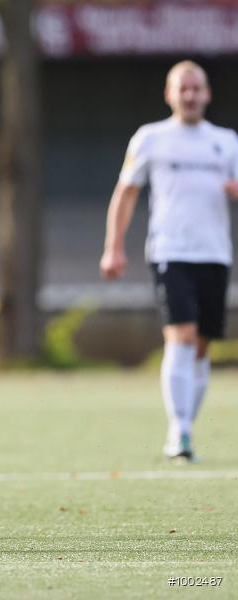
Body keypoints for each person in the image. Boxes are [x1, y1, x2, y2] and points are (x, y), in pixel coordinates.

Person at [100, 60, 238, 462]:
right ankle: (179, 431)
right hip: (170, 252)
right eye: (183, 88)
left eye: (197, 88)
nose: (191, 95)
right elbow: (125, 193)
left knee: (201, 345)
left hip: (215, 253)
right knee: (180, 335)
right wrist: (114, 246)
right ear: (169, 94)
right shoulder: (151, 138)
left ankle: (186, 430)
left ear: (208, 94)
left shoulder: (226, 141)